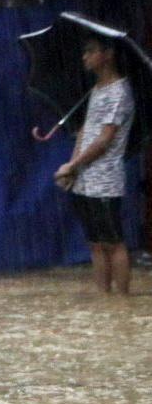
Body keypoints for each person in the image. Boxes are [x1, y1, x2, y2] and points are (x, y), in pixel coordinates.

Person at [55, 35, 135, 295]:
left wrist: (73, 164)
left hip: (106, 181)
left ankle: (122, 300)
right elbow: (84, 132)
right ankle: (104, 298)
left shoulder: (120, 92)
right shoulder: (96, 89)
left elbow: (104, 140)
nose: (85, 57)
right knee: (95, 243)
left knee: (113, 242)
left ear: (108, 53)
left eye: (91, 51)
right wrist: (72, 167)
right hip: (85, 180)